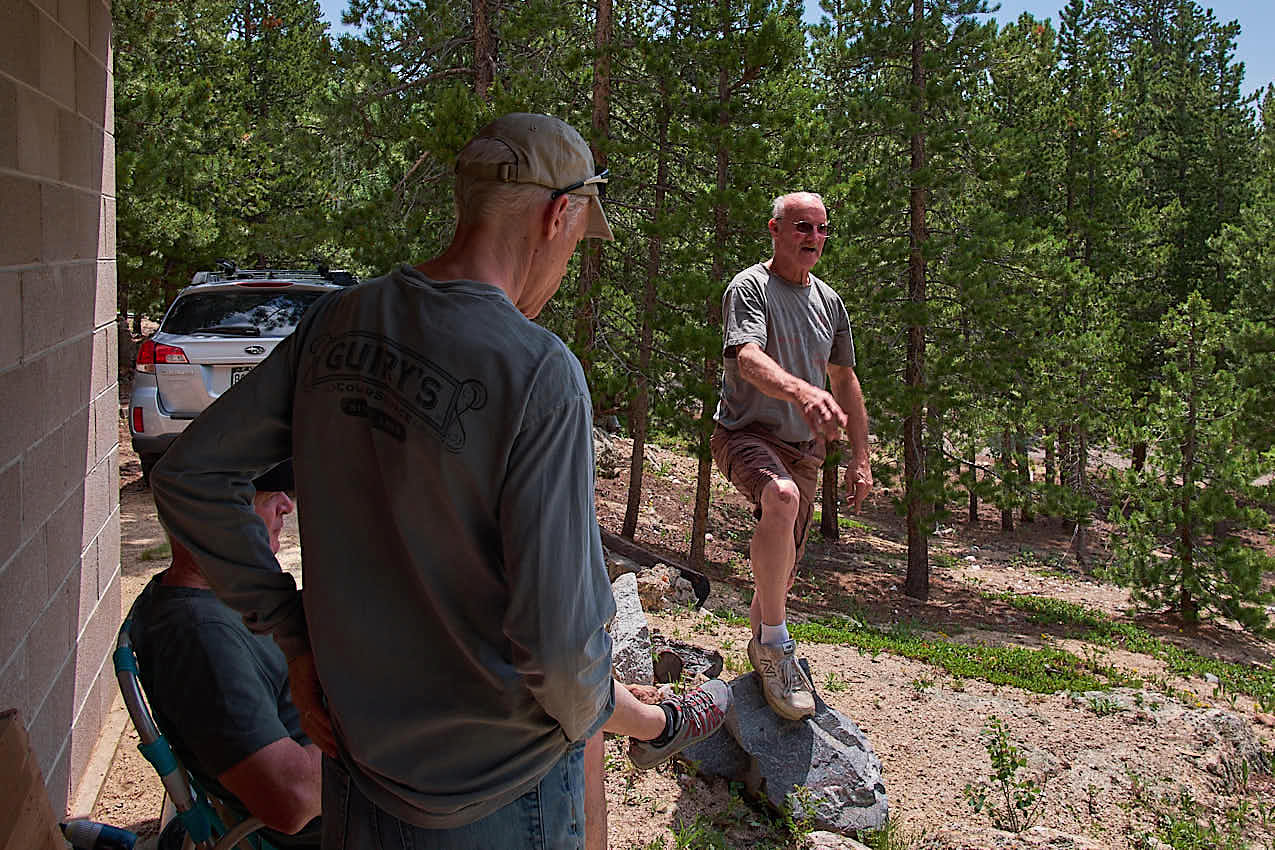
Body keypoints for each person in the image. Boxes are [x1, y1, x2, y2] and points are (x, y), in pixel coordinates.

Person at [150, 113, 729, 850]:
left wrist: (293, 638)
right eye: (577, 243)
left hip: (357, 767)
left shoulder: (338, 321)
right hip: (495, 794)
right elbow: (556, 647)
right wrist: (629, 719)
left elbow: (192, 475)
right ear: (559, 216)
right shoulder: (537, 371)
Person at [711, 191, 872, 722]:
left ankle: (764, 656)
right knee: (778, 498)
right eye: (804, 226)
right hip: (745, 433)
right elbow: (748, 358)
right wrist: (802, 392)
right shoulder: (751, 287)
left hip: (806, 454)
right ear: (775, 229)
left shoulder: (829, 302)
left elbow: (845, 379)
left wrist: (861, 457)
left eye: (824, 229)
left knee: (775, 582)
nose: (815, 238)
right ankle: (780, 649)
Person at [130, 462, 321, 849]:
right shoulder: (198, 637)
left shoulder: (223, 598)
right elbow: (291, 799)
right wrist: (377, 734)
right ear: (206, 518)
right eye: (263, 493)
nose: (286, 505)